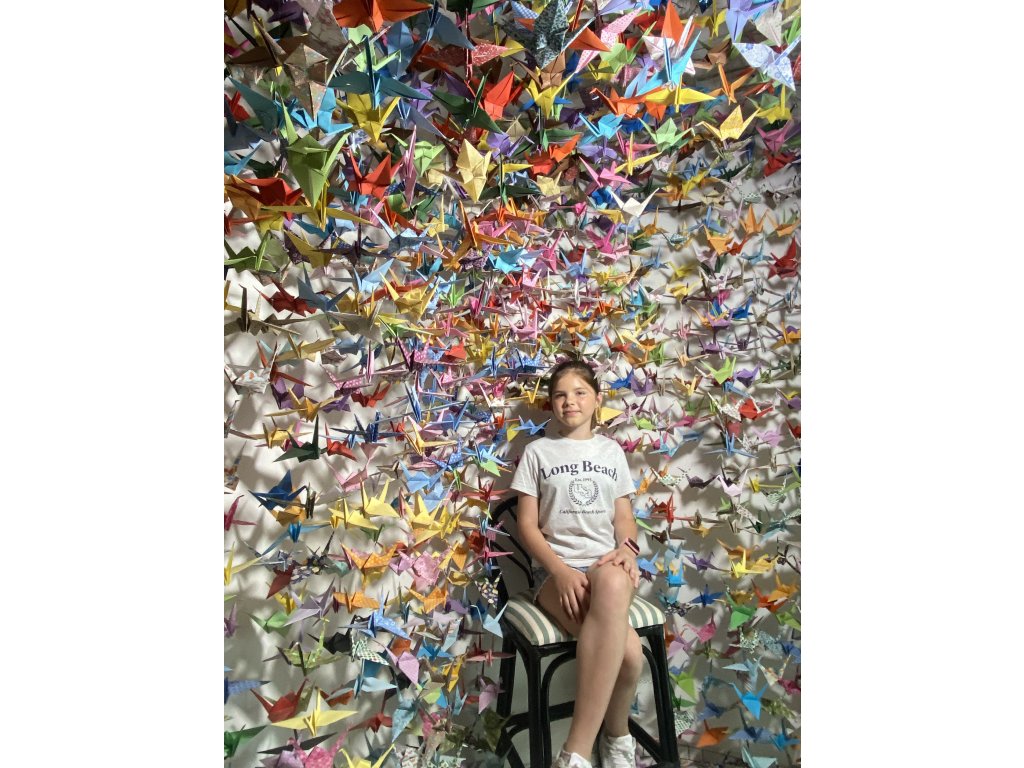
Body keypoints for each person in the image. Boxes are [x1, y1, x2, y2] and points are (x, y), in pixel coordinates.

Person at [509, 359, 643, 768]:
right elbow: (527, 527)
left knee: (615, 582)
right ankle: (615, 738)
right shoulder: (537, 452)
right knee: (630, 656)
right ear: (551, 403)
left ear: (597, 400)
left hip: (604, 564)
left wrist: (628, 550)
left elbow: (624, 518)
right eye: (560, 395)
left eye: (580, 393)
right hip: (556, 572)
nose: (570, 401)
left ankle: (575, 753)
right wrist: (561, 571)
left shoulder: (611, 452)